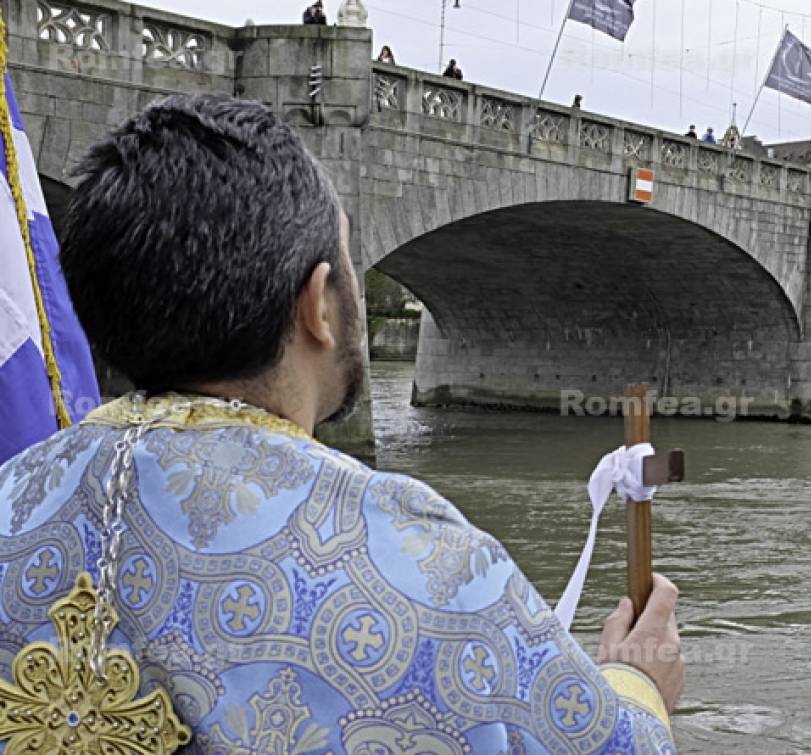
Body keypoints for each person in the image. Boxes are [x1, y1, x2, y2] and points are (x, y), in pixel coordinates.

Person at [0, 95, 682, 752]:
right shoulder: (430, 563)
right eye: (352, 266)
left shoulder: (13, 495)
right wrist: (637, 680)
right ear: (317, 304)